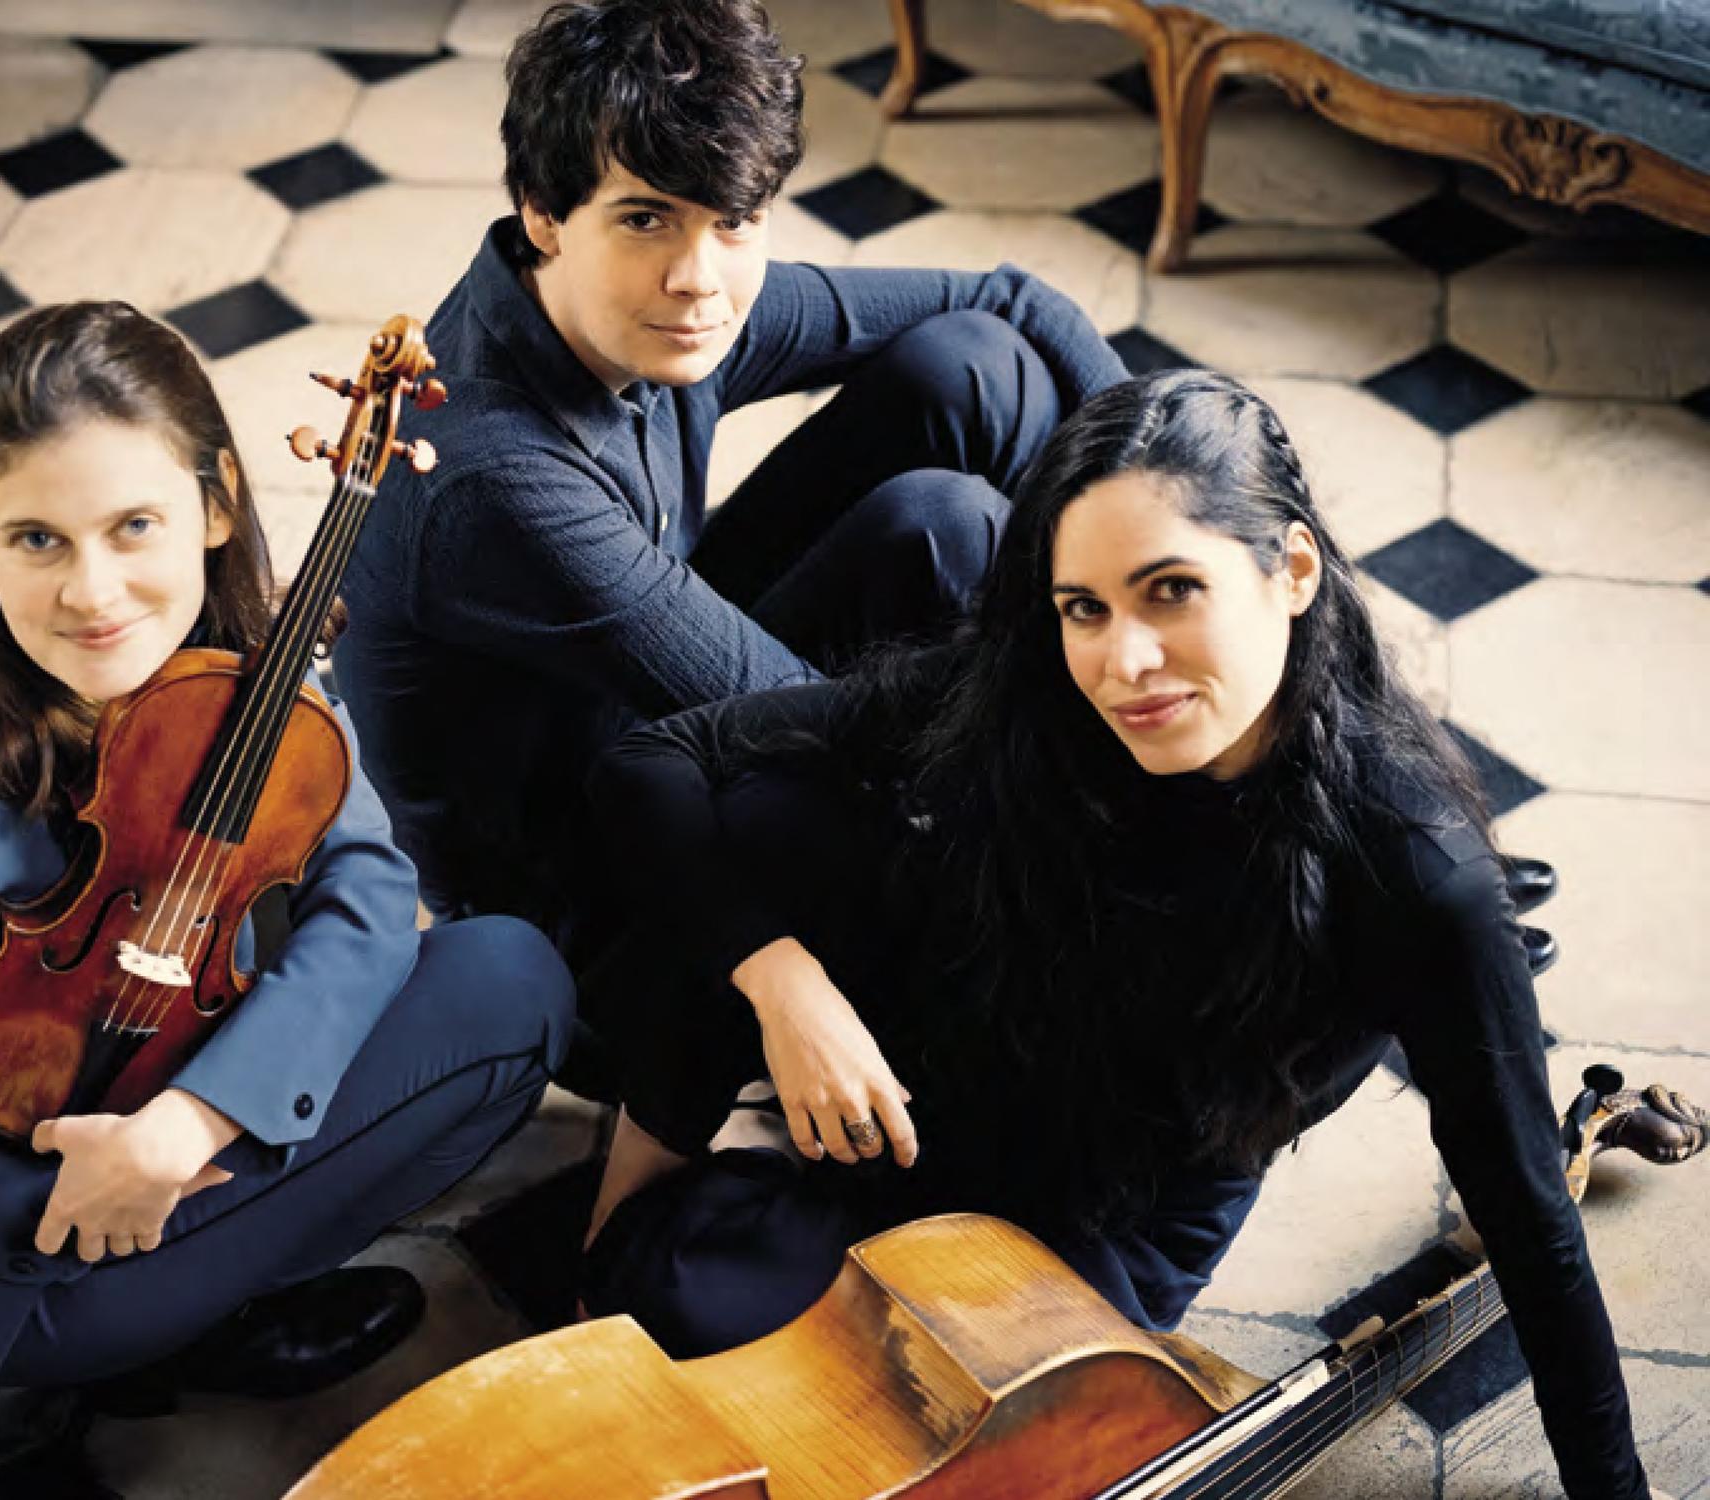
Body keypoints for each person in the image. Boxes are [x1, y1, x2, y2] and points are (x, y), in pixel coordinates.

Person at [579, 371, 1681, 1499]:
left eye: (1170, 592)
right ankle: (612, 1254)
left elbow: (1527, 1225)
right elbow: (653, 761)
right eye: (1083, 608)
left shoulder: (1411, 868)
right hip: (932, 1123)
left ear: (1290, 572)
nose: (1124, 663)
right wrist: (782, 983)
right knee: (765, 834)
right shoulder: (1036, 704)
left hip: (1098, 1226)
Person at [0, 304, 574, 1457]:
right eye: (37, 539)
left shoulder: (246, 671)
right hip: (12, 1271)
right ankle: (165, 1337)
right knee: (492, 1009)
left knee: (513, 976)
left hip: (161, 1092)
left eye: (132, 526)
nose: (94, 592)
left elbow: (366, 883)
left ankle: (220, 1252)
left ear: (215, 506)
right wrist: (82, 1201)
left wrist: (194, 1121)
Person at [330, 0, 1130, 951]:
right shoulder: (494, 480)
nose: (699, 278)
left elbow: (1008, 299)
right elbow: (813, 707)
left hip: (633, 698)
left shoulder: (643, 301)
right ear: (542, 214)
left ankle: (1091, 734)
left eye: (736, 219)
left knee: (970, 368)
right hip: (581, 897)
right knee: (948, 531)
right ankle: (1078, 843)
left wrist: (1183, 510)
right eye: (645, 220)